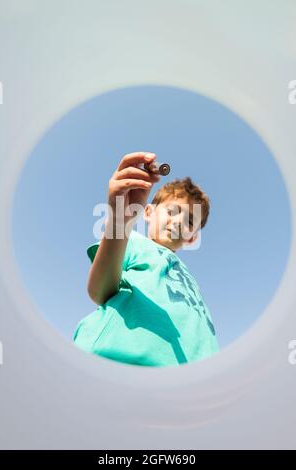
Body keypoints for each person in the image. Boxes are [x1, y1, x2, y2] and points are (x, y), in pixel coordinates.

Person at [73, 151, 219, 367]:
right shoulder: (132, 241)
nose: (179, 222)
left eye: (189, 221)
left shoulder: (189, 279)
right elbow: (99, 290)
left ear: (192, 238)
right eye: (172, 211)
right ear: (148, 212)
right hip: (118, 364)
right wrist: (120, 220)